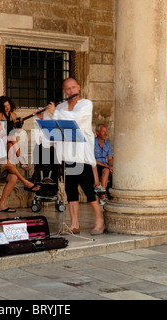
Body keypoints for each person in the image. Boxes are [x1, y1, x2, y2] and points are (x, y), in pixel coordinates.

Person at [41, 77, 105, 235]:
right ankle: (74, 224)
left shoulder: (85, 104)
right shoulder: (61, 107)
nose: (71, 91)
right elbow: (52, 127)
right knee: (70, 192)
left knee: (88, 190)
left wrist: (55, 112)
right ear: (64, 91)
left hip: (81, 156)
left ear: (79, 87)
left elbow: (74, 120)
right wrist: (45, 115)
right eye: (67, 89)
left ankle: (99, 221)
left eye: (73, 87)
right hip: (67, 156)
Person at [0, 96, 29, 170]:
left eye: (8, 105)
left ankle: (11, 167)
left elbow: (17, 130)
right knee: (13, 138)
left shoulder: (13, 115)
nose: (7, 108)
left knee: (11, 146)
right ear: (1, 107)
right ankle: (21, 161)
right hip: (0, 138)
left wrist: (20, 123)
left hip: (9, 140)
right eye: (5, 106)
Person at [94, 124, 113, 205]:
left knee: (106, 170)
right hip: (94, 165)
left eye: (106, 131)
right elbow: (92, 159)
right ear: (97, 132)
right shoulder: (92, 142)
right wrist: (108, 166)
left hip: (104, 166)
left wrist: (112, 167)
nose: (106, 133)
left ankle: (102, 196)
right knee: (106, 169)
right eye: (103, 131)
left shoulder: (107, 143)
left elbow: (109, 159)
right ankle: (103, 197)